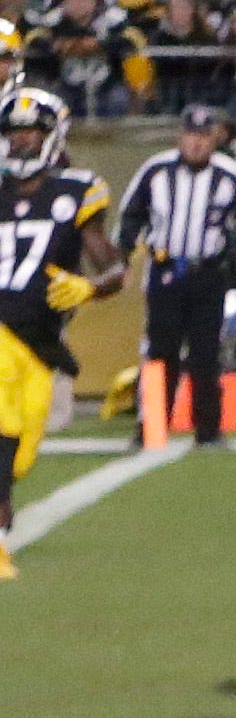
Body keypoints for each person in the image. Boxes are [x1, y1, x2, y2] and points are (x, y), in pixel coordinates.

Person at [0, 84, 121, 571]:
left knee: (21, 454)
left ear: (52, 135)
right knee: (3, 431)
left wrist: (89, 287)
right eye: (14, 131)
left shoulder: (77, 192)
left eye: (31, 131)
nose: (21, 140)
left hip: (40, 344)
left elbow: (114, 268)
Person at [117, 104, 236, 449]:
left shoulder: (229, 174)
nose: (197, 143)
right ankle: (152, 428)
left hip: (208, 272)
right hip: (165, 271)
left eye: (204, 136)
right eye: (191, 135)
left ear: (214, 139)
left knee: (206, 352)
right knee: (160, 352)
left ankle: (208, 431)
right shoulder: (156, 170)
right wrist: (123, 260)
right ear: (181, 136)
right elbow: (131, 215)